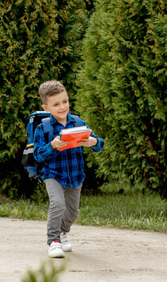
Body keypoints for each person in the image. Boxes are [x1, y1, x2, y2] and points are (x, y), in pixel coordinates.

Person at [33, 80, 104, 258]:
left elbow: (99, 143)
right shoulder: (43, 128)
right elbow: (38, 155)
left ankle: (63, 232)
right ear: (46, 107)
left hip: (75, 174)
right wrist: (53, 145)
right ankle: (53, 241)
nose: (62, 106)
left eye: (64, 101)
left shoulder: (78, 123)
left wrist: (93, 142)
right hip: (53, 174)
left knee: (72, 212)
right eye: (56, 104)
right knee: (57, 204)